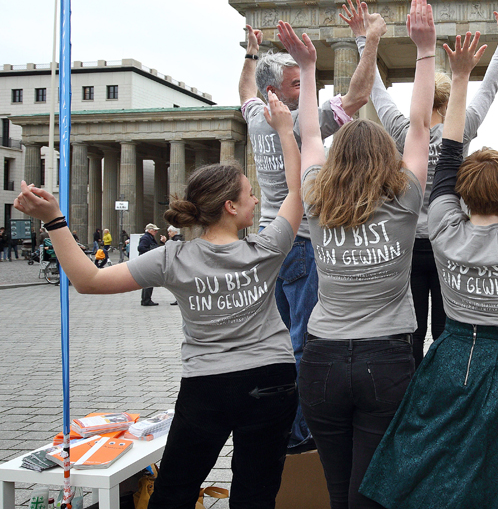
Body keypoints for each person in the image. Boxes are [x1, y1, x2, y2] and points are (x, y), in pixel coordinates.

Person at [14, 90, 303, 509]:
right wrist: (285, 131)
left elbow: (89, 280)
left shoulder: (173, 258)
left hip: (208, 385)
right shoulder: (268, 247)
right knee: (256, 494)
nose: (256, 199)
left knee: (176, 490)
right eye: (249, 194)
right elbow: (296, 189)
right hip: (273, 380)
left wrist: (55, 221)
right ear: (230, 207)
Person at [360, 25, 498, 509]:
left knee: (439, 463)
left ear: (458, 192)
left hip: (454, 355)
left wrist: (458, 80)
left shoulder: (441, 225)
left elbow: (448, 154)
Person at [277, 0, 435, 509]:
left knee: (337, 489)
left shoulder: (317, 195)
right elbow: (418, 127)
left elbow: (307, 133)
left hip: (321, 359)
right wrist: (426, 52)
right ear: (387, 160)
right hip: (385, 359)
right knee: (372, 490)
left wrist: (306, 67)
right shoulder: (406, 200)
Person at [342, 0, 498, 366]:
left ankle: (409, 393)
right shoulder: (463, 127)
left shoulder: (401, 128)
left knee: (411, 330)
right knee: (446, 328)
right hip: (449, 241)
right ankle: (445, 390)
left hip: (407, 242)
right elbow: (489, 89)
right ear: (447, 99)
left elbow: (375, 90)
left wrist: (365, 41)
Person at [240, 6, 382, 453]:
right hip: (300, 246)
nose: (305, 91)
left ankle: (275, 425)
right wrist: (371, 40)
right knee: (302, 344)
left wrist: (250, 53)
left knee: (276, 343)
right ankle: (300, 434)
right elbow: (357, 96)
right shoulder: (301, 124)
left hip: (267, 243)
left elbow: (243, 90)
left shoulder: (255, 116)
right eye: (296, 85)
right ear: (275, 92)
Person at [138, 224, 161, 306]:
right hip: (147, 262)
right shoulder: (146, 238)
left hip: (147, 261)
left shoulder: (148, 237)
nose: (156, 232)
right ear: (149, 230)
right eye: (155, 230)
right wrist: (151, 252)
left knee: (148, 282)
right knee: (149, 281)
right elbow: (141, 248)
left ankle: (145, 299)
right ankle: (146, 300)